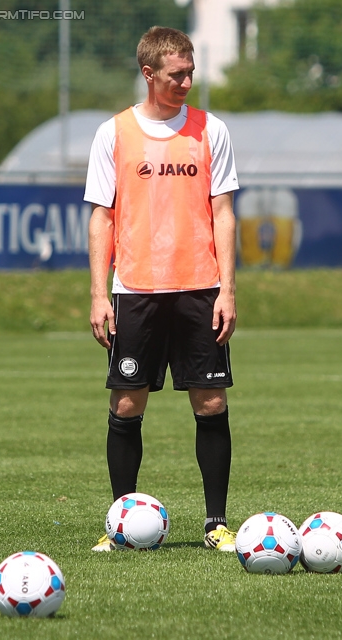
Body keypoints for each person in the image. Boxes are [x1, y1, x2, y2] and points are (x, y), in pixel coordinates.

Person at [84, 25, 239, 552]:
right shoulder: (114, 133)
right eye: (176, 74)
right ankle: (119, 525)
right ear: (148, 74)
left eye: (191, 72)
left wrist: (229, 290)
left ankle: (215, 524)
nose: (187, 82)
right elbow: (101, 217)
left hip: (200, 287)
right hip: (137, 289)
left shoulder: (209, 129)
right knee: (127, 407)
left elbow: (223, 213)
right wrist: (99, 294)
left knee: (211, 404)